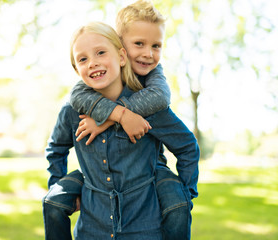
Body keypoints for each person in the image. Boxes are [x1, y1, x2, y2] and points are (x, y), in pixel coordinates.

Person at [43, 1, 197, 240]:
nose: (92, 62)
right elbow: (56, 148)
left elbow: (187, 145)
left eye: (101, 52)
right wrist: (60, 188)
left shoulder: (151, 102)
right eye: (82, 60)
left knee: (178, 204)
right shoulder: (74, 109)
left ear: (120, 55)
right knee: (51, 201)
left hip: (143, 224)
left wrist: (186, 192)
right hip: (92, 227)